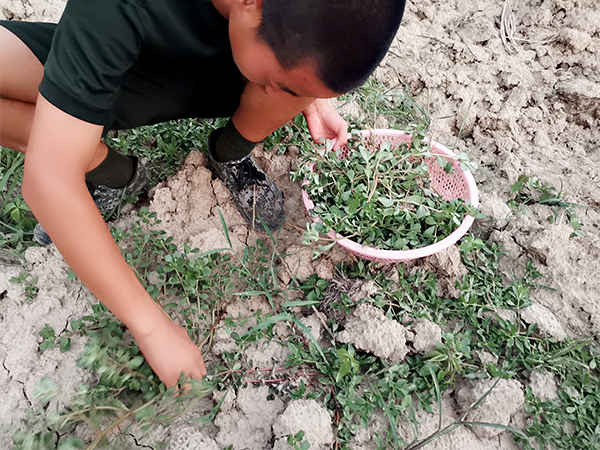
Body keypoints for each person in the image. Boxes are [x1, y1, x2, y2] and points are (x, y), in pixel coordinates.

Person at [0, 0, 406, 388]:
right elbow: (48, 180)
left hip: (225, 74)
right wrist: (151, 326)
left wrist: (308, 92)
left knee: (289, 79)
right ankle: (110, 172)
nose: (291, 95)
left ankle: (229, 153)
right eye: (285, 86)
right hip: (131, 65)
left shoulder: (268, 31)